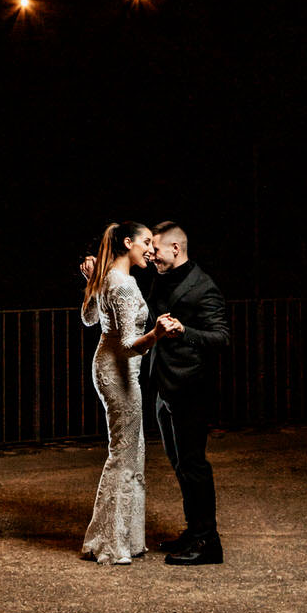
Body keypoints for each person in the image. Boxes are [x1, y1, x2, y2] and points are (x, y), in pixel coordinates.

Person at [82, 221, 230, 567]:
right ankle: (194, 532)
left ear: (175, 249)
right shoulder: (153, 278)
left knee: (192, 463)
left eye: (156, 247)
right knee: (179, 463)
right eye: (146, 245)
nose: (151, 253)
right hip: (161, 385)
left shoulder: (203, 287)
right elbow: (118, 317)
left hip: (190, 385)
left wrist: (181, 330)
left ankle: (208, 541)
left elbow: (221, 337)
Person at [79, 222, 175, 566]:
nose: (150, 249)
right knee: (124, 453)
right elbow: (127, 344)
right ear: (128, 243)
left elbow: (89, 318)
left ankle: (125, 539)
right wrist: (157, 334)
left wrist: (90, 282)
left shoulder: (106, 278)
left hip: (110, 367)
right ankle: (111, 542)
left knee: (131, 450)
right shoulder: (122, 284)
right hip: (118, 371)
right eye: (146, 242)